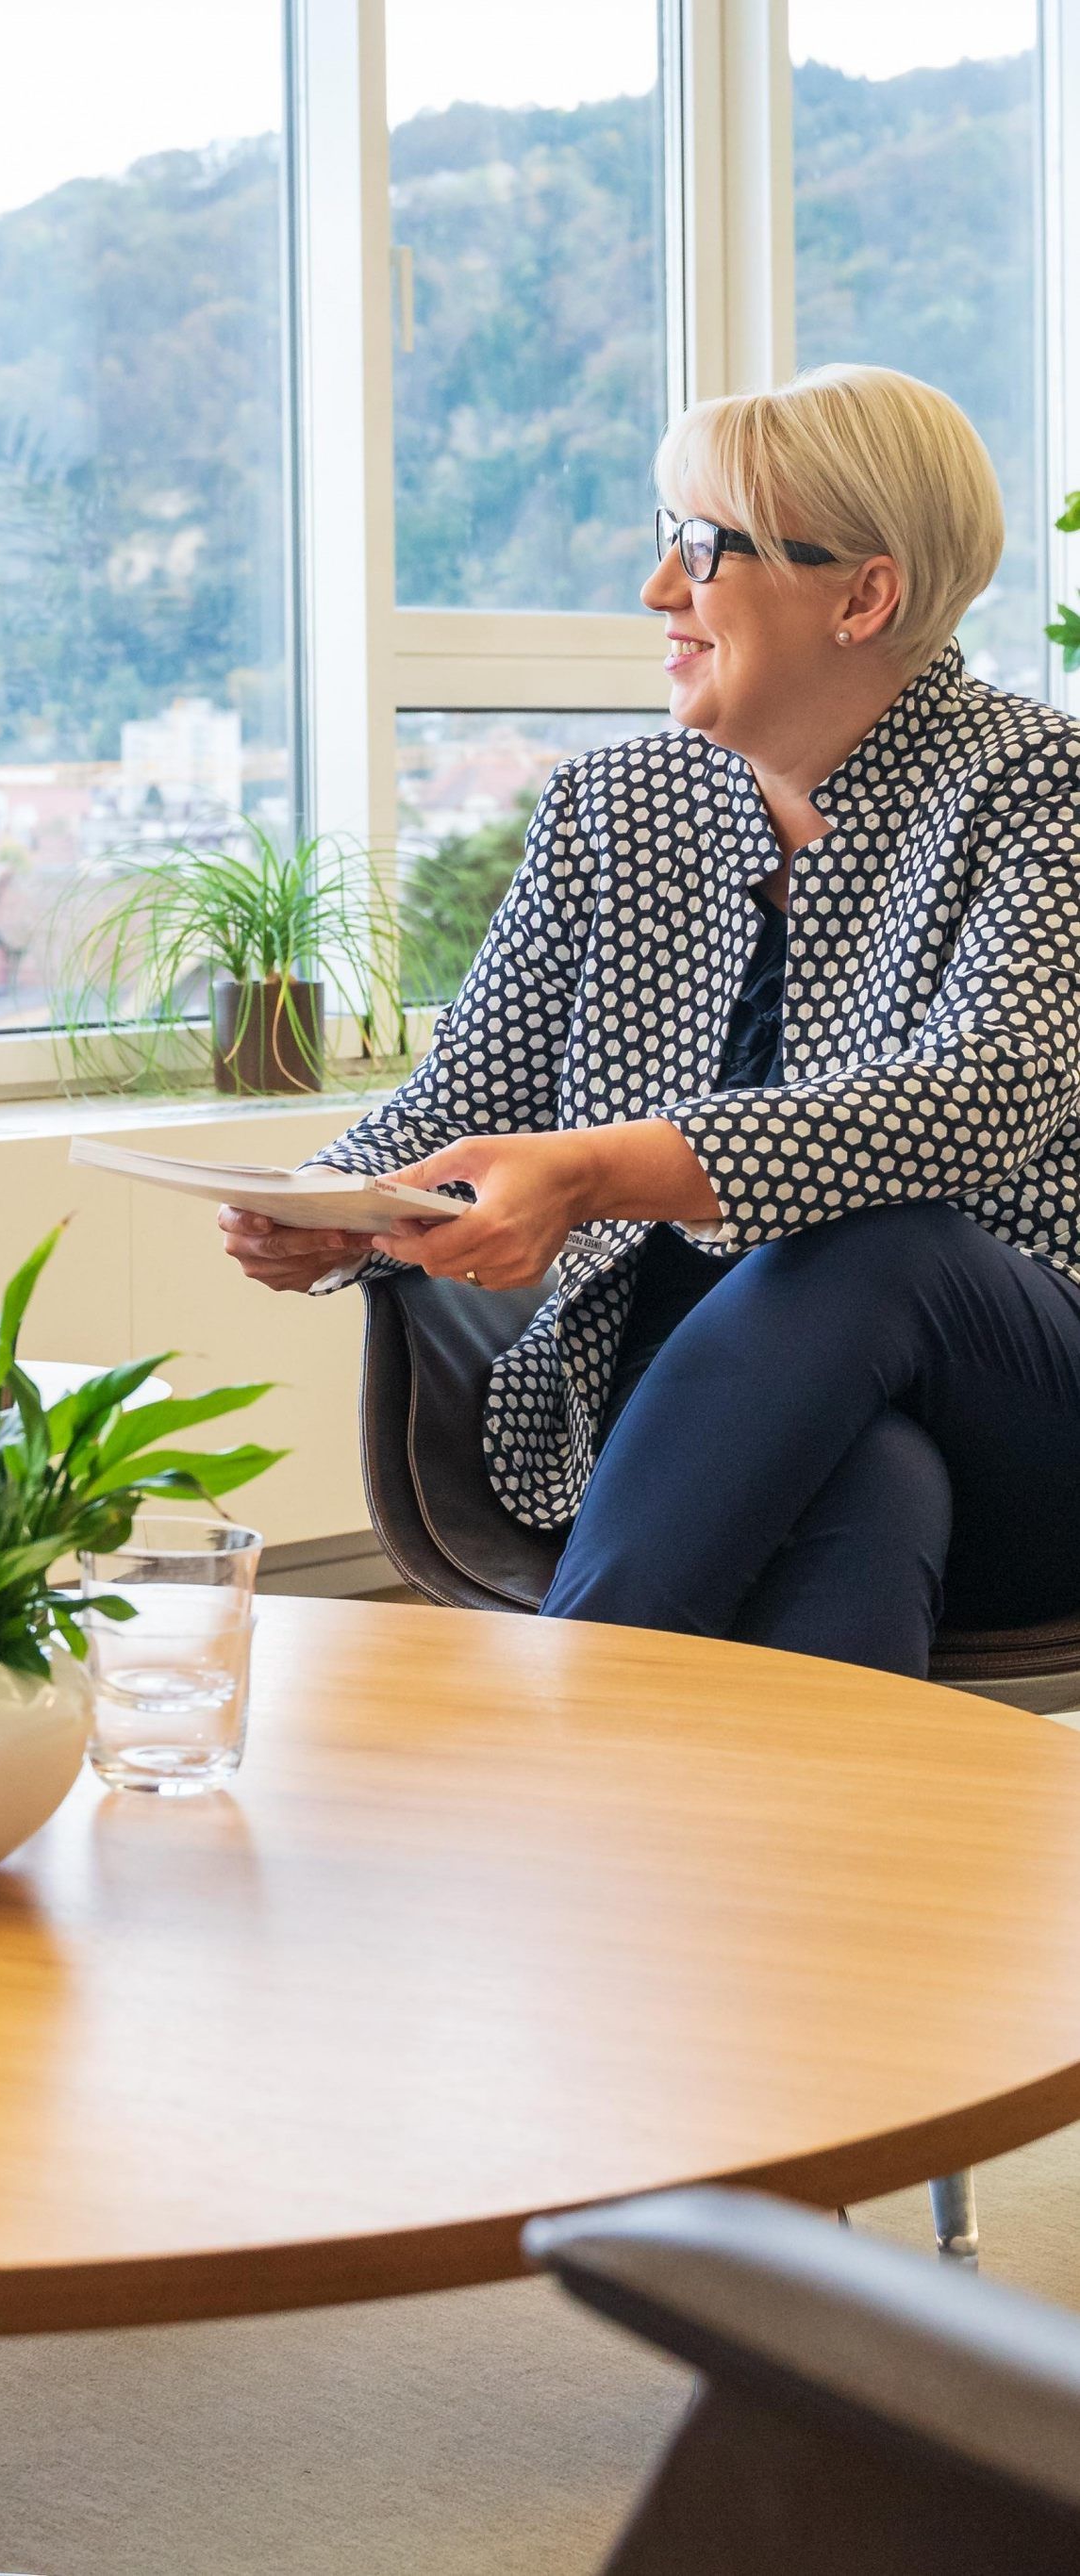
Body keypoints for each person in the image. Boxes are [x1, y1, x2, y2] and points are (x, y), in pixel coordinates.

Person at [223, 363, 1080, 1679]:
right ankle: (757, 1877)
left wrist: (597, 1167)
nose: (658, 590)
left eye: (701, 547)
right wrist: (331, 1209)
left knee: (876, 1245)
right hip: (699, 1412)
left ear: (865, 593)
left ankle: (573, 1734)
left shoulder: (1037, 783)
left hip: (1021, 1415)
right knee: (865, 1489)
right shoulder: (612, 807)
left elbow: (988, 1093)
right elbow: (468, 1098)